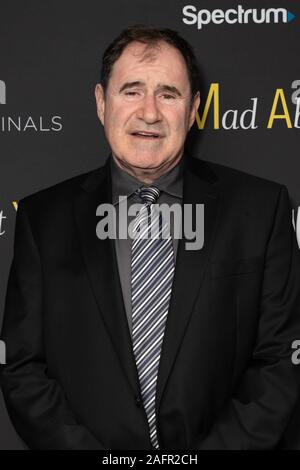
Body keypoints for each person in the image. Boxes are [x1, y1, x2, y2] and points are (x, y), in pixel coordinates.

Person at [1, 24, 300, 450]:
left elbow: (279, 362)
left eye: (168, 94)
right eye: (131, 91)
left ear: (194, 108)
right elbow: (22, 366)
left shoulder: (261, 209)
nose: (149, 113)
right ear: (102, 103)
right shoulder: (42, 218)